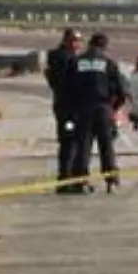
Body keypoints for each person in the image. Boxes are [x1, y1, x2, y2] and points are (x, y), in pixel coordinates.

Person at [67, 32, 129, 194]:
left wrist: (73, 110)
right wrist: (114, 108)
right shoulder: (109, 63)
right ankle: (111, 181)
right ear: (104, 46)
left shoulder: (77, 62)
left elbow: (68, 89)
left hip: (83, 108)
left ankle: (80, 181)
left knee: (83, 146)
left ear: (89, 44)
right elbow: (122, 91)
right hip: (103, 109)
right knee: (106, 147)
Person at [44, 27, 83, 194]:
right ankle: (65, 180)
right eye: (75, 41)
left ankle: (69, 178)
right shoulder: (62, 58)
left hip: (67, 106)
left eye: (79, 41)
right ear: (67, 40)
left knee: (72, 142)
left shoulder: (67, 57)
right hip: (67, 107)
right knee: (68, 142)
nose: (78, 44)